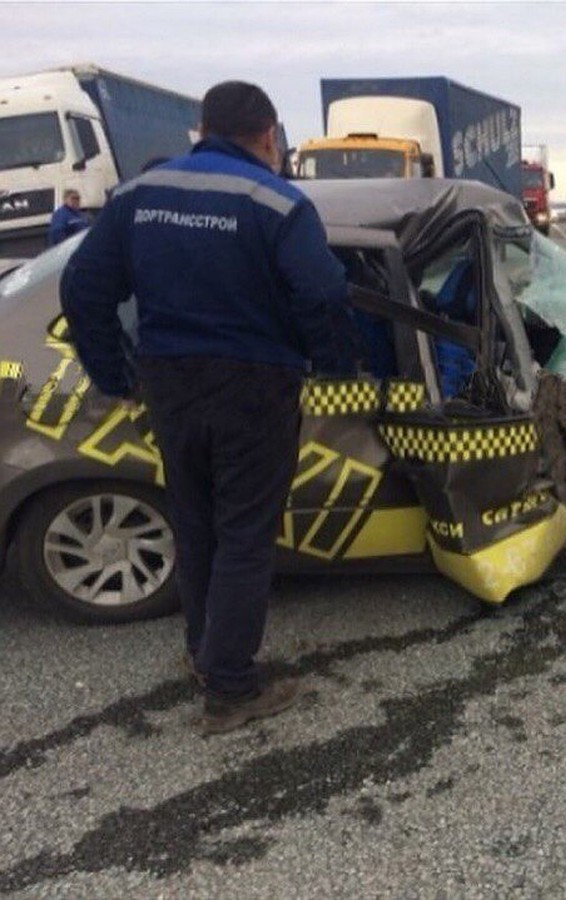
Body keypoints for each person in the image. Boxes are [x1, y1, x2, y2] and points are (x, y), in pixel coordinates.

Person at [61, 81, 353, 735]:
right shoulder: (278, 201)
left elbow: (82, 286)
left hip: (169, 383)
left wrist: (116, 373)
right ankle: (231, 690)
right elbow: (324, 293)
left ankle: (204, 654)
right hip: (254, 386)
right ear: (270, 134)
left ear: (203, 128)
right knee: (246, 536)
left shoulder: (136, 196)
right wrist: (333, 364)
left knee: (197, 527)